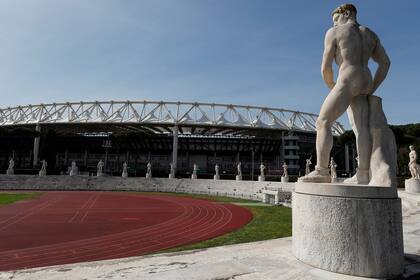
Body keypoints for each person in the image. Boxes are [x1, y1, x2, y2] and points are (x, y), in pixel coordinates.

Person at [300, 4, 390, 183]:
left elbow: (325, 68)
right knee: (361, 128)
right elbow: (385, 63)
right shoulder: (370, 34)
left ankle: (322, 171)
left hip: (348, 77)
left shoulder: (334, 32)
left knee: (323, 122)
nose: (334, 24)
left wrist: (333, 85)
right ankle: (363, 173)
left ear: (346, 13)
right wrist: (373, 87)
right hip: (366, 77)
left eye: (335, 20)